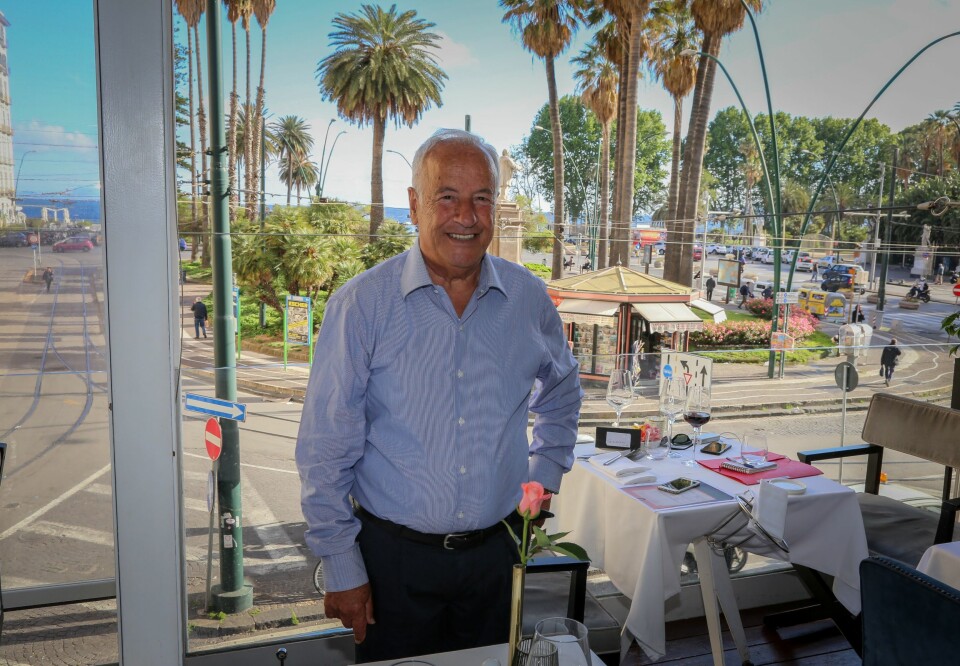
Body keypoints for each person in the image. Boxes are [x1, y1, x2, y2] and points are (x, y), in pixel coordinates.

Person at [295, 129, 583, 663]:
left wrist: (544, 477)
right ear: (414, 205)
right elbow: (325, 447)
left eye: (481, 199)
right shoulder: (362, 305)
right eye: (447, 196)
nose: (466, 216)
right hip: (392, 565)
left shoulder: (528, 298)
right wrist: (340, 564)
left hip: (498, 557)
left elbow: (562, 390)